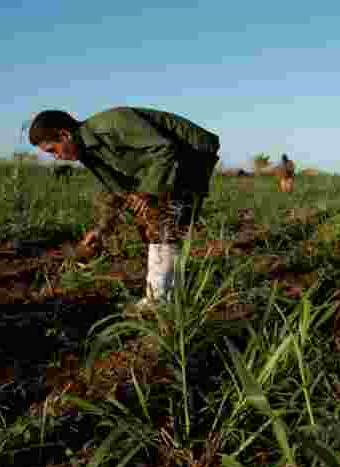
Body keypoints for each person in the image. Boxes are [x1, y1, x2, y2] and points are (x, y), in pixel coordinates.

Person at [29, 107, 220, 313]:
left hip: (191, 150)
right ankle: (168, 294)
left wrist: (148, 192)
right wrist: (102, 229)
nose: (55, 157)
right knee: (147, 216)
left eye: (52, 150)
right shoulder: (86, 152)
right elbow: (117, 191)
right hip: (163, 159)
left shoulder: (112, 124)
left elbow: (165, 148)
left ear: (64, 135)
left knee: (162, 216)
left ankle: (160, 300)